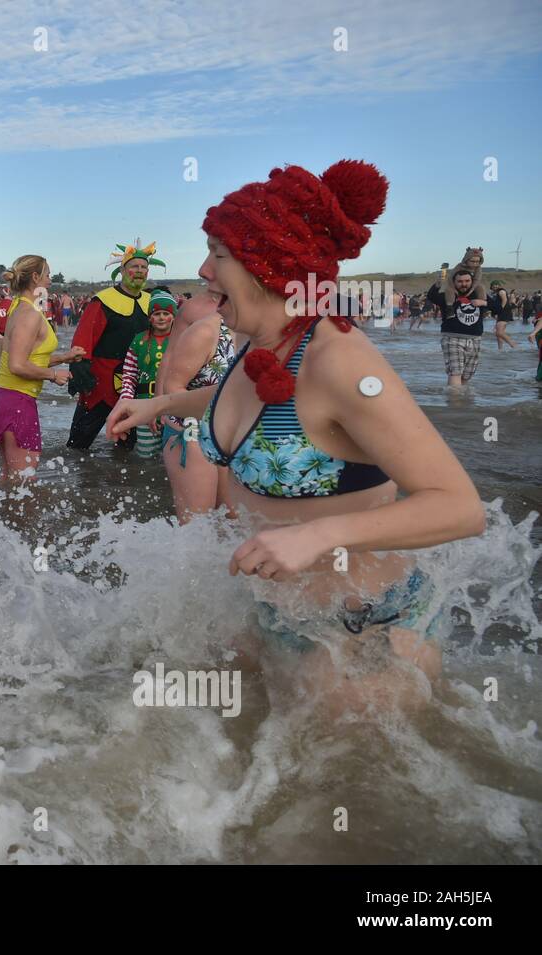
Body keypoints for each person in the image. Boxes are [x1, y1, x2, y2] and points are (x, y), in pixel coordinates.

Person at [108, 160, 484, 697]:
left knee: (342, 783)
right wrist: (159, 404)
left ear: (269, 264)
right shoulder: (258, 344)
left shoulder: (339, 360)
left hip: (361, 636)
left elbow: (459, 507)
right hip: (278, 615)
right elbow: (239, 401)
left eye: (219, 254)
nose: (204, 270)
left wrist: (320, 535)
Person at [0, 256, 83, 479]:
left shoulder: (20, 307)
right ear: (35, 277)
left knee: (10, 477)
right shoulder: (29, 314)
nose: (49, 280)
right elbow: (17, 365)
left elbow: (27, 358)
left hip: (4, 398)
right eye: (47, 274)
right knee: (24, 480)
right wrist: (53, 375)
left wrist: (65, 357)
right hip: (15, 401)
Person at [66, 239, 163, 450]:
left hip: (136, 386)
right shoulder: (102, 301)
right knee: (78, 446)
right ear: (122, 270)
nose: (139, 271)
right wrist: (81, 373)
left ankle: (118, 482)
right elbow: (83, 341)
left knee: (128, 449)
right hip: (100, 386)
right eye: (134, 266)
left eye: (143, 267)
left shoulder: (152, 302)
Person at [154, 292, 233, 522]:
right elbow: (170, 357)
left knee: (232, 522)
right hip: (190, 425)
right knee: (198, 523)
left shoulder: (261, 314)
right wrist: (158, 404)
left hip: (233, 431)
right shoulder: (195, 311)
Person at [118, 288, 175, 457]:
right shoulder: (138, 341)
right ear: (149, 317)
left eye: (166, 313)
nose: (162, 317)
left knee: (173, 455)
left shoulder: (183, 339)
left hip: (175, 406)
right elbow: (129, 376)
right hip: (143, 406)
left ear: (174, 316)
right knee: (146, 455)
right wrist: (125, 404)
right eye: (157, 314)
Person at [426, 267, 494, 387]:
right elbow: (432, 296)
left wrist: (484, 303)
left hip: (475, 339)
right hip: (452, 338)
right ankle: (454, 402)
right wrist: (438, 283)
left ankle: (462, 403)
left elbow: (498, 308)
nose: (464, 284)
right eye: (460, 281)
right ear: (454, 282)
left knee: (467, 375)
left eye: (467, 281)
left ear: (472, 281)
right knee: (455, 373)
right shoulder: (448, 296)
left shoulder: (479, 295)